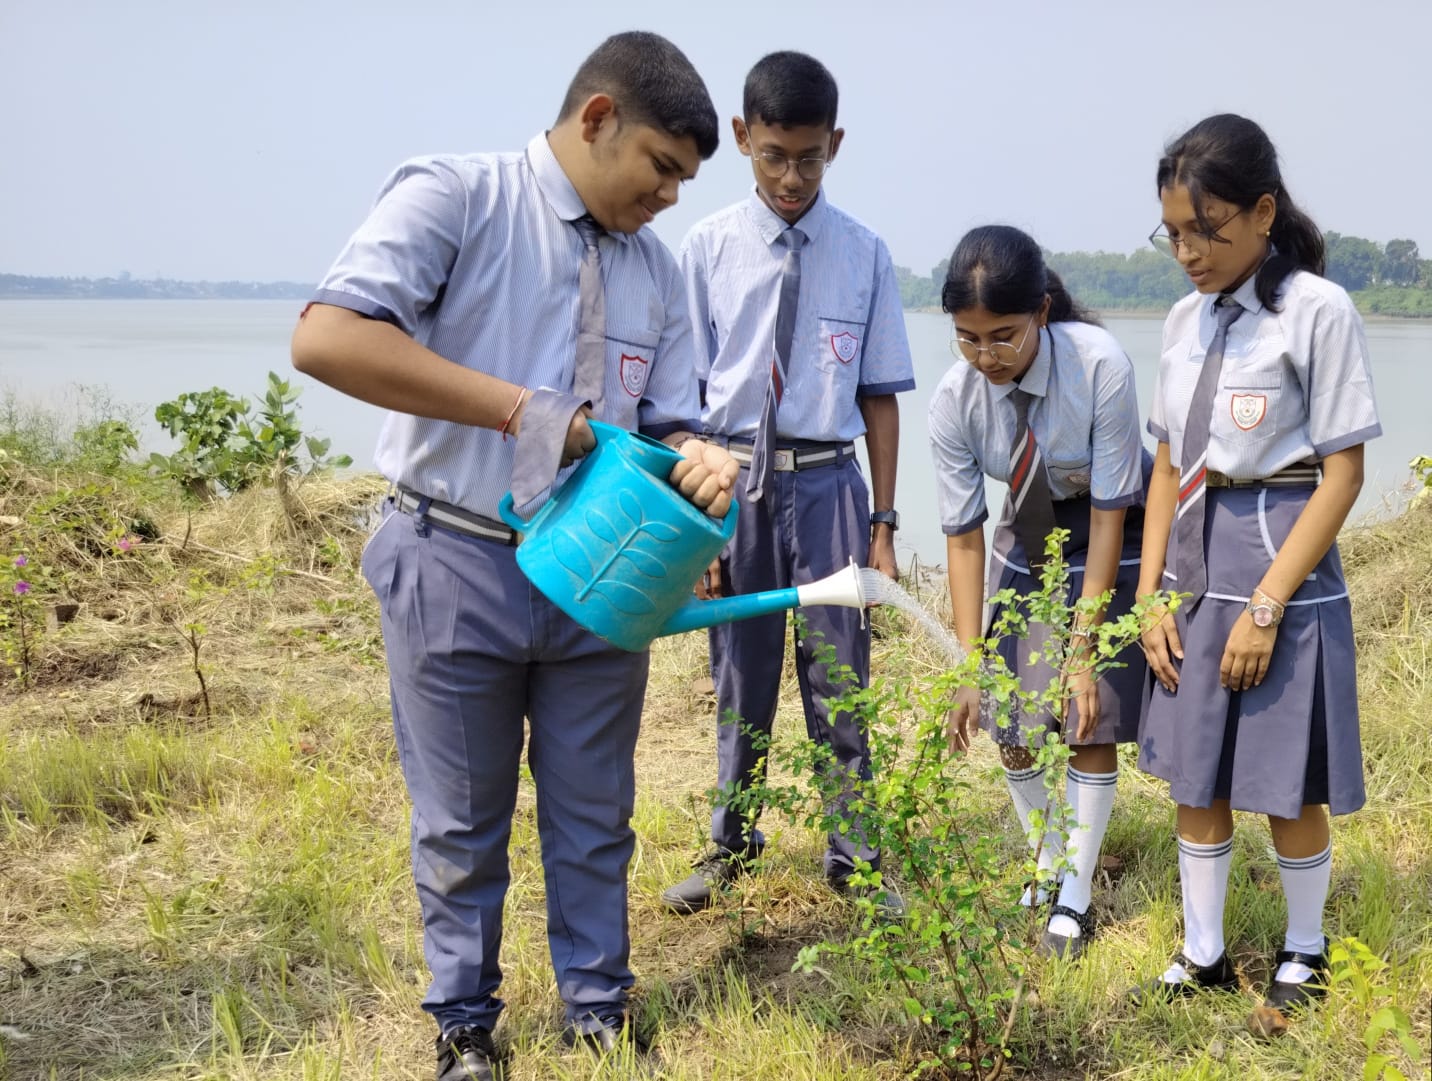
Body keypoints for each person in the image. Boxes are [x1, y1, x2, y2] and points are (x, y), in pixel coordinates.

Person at [290, 32, 739, 1080]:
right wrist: (525, 412)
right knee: (460, 819)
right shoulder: (457, 197)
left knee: (594, 811)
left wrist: (698, 456)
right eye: (661, 169)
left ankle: (597, 1012)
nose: (670, 197)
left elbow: (665, 419)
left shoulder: (653, 268)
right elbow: (326, 336)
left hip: (600, 573)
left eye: (684, 179)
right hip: (454, 553)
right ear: (595, 119)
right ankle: (463, 1026)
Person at [1132, 114, 1380, 1022]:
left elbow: (1345, 472)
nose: (1191, 251)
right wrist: (1152, 592)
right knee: (1197, 770)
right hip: (1196, 554)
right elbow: (1166, 464)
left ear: (1264, 212)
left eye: (1211, 228)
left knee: (1282, 774)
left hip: (1284, 556)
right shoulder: (1180, 320)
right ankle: (1201, 952)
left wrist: (1270, 604)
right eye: (1176, 233)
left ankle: (1305, 949)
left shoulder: (1316, 310)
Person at [660, 51, 915, 915]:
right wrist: (696, 523)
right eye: (774, 155)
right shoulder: (705, 250)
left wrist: (881, 521)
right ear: (741, 139)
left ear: (835, 143)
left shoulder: (865, 254)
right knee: (741, 670)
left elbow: (879, 398)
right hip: (731, 485)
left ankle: (855, 852)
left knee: (840, 674)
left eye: (810, 157)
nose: (792, 175)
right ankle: (732, 843)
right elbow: (678, 399)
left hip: (828, 484)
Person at [933, 225, 1149, 961]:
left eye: (1004, 337)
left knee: (1086, 717)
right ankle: (1049, 857)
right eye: (968, 338)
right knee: (1011, 718)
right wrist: (967, 664)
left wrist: (1083, 648)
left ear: (1044, 311)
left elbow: (1115, 510)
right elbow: (962, 537)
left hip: (1107, 534)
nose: (986, 357)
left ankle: (1077, 892)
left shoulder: (1100, 368)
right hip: (1025, 539)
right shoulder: (955, 399)